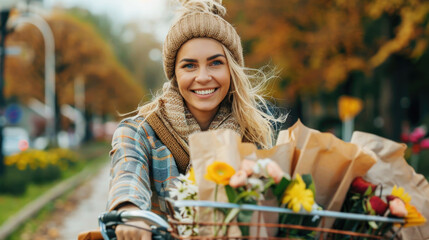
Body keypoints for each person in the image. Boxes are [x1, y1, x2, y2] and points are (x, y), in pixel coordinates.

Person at [107, 0, 284, 239]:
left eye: (215, 63)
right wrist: (131, 213)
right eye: (189, 66)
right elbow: (128, 175)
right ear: (175, 74)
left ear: (231, 69)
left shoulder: (251, 136)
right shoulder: (138, 132)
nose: (203, 77)